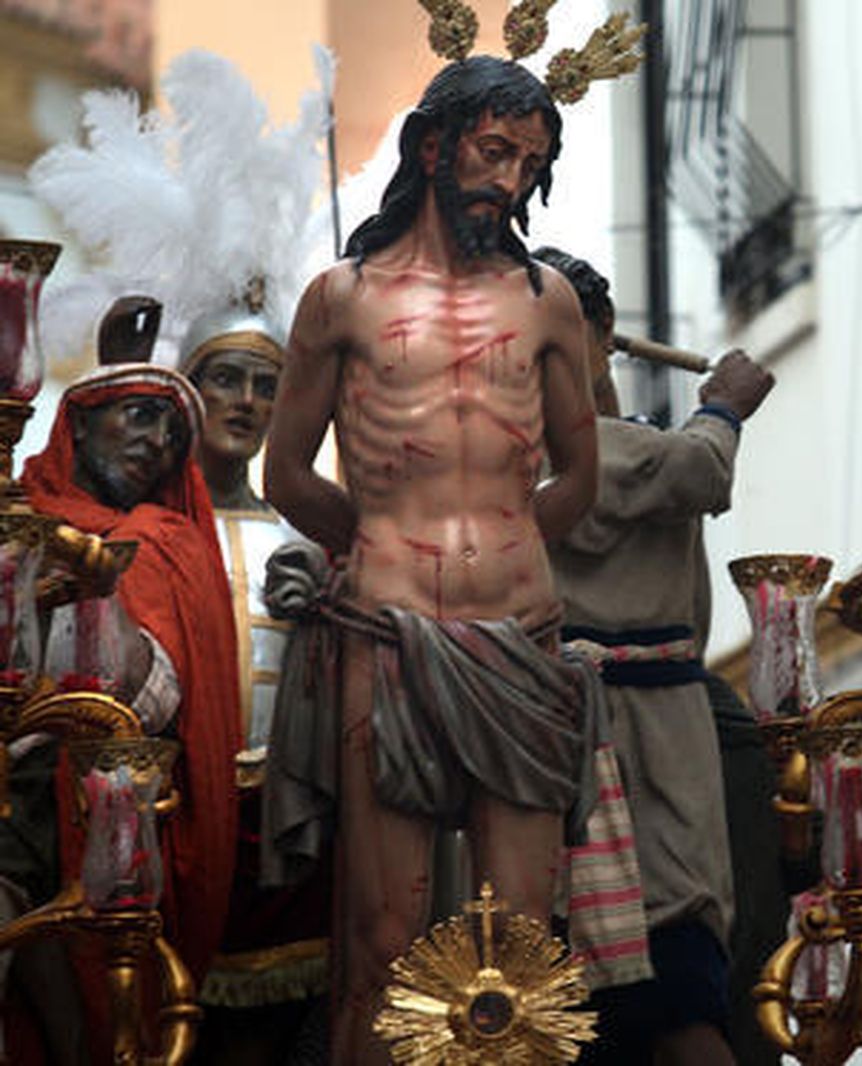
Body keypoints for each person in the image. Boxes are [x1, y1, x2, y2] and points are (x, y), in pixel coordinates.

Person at [263, 55, 602, 1064]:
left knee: (521, 949)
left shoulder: (546, 301)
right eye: (493, 151)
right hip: (390, 635)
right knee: (382, 941)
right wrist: (376, 542)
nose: (508, 180)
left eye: (528, 164)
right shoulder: (342, 298)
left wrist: (506, 546)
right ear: (432, 147)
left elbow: (580, 477)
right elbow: (286, 473)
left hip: (520, 633)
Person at [535, 246, 774, 1066]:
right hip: (628, 735)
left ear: (602, 334)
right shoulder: (573, 451)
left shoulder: (610, 442)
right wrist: (725, 408)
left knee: (672, 956)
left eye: (562, 339)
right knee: (671, 976)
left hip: (651, 728)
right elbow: (699, 468)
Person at [17, 363, 241, 1019]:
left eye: (173, 434)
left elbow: (153, 702)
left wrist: (99, 592)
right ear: (82, 423)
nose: (158, 443)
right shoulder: (19, 518)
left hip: (99, 797)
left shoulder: (162, 543)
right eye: (141, 416)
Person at [179, 302, 332, 1063]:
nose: (245, 402)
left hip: (279, 817)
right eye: (226, 379)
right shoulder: (154, 530)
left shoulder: (297, 536)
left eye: (266, 386)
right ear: (188, 389)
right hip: (182, 809)